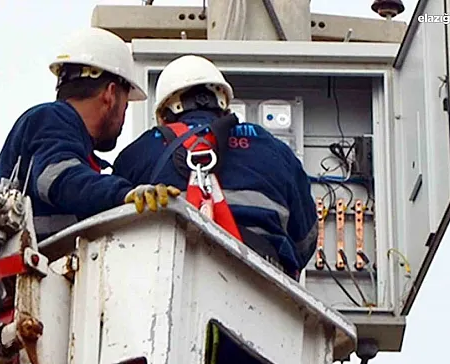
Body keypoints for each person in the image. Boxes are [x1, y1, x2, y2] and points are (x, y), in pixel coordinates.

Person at [112, 55, 317, 280]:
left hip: (168, 275)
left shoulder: (137, 153)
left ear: (163, 116)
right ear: (224, 106)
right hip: (264, 280)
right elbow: (305, 240)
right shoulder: (274, 149)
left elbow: (118, 234)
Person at [0, 27, 180, 240]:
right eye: (125, 106)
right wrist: (122, 193)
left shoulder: (66, 137)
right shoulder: (51, 118)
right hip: (32, 269)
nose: (123, 119)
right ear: (111, 94)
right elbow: (59, 179)